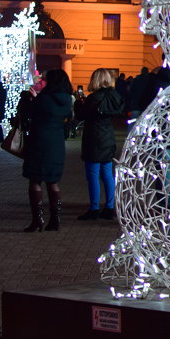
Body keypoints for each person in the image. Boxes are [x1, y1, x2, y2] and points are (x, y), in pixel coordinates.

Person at [17, 68, 74, 232]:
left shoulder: (44, 98)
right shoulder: (66, 100)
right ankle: (55, 220)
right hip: (56, 144)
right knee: (53, 182)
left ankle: (37, 220)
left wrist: (31, 100)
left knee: (35, 180)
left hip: (39, 142)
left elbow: (30, 114)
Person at [75, 68, 125, 220]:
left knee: (93, 175)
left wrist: (78, 103)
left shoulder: (94, 98)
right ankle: (109, 207)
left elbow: (82, 115)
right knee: (107, 174)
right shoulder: (114, 96)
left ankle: (94, 208)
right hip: (108, 136)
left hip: (94, 138)